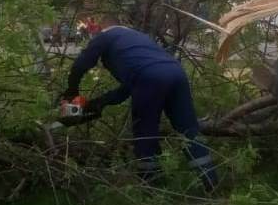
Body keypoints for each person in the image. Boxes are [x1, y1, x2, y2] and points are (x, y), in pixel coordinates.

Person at [62, 14, 218, 191]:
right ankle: (211, 182)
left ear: (102, 28)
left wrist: (72, 90)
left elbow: (81, 64)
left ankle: (152, 187)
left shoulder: (106, 36)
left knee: (145, 132)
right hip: (177, 74)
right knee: (188, 129)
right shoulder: (140, 39)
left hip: (149, 78)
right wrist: (99, 103)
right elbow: (129, 87)